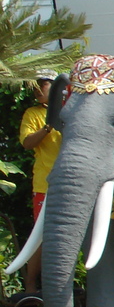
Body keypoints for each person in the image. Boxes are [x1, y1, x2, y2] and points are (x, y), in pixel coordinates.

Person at [17, 72, 61, 294]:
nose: (36, 90)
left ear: (54, 87)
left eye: (41, 85)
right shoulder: (32, 114)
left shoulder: (71, 109)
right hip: (45, 186)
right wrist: (48, 127)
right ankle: (31, 285)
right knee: (41, 237)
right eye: (33, 86)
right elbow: (27, 142)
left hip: (75, 185)